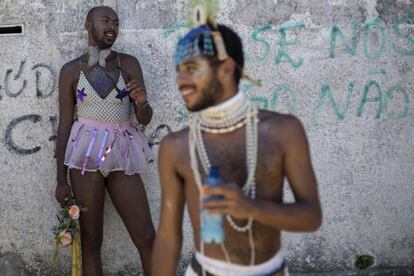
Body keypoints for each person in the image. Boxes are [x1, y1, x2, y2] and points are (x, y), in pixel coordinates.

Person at [152, 19, 322, 276]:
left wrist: (250, 207)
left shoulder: (283, 131)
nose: (180, 80)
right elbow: (167, 237)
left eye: (190, 68)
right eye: (178, 70)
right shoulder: (175, 147)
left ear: (226, 69)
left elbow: (311, 216)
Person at [55, 6, 155, 276]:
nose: (112, 26)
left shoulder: (128, 64)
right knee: (91, 240)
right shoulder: (71, 71)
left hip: (122, 153)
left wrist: (142, 102)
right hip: (85, 158)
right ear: (88, 26)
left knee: (146, 236)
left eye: (116, 22)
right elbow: (65, 125)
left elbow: (144, 117)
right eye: (105, 20)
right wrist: (61, 180)